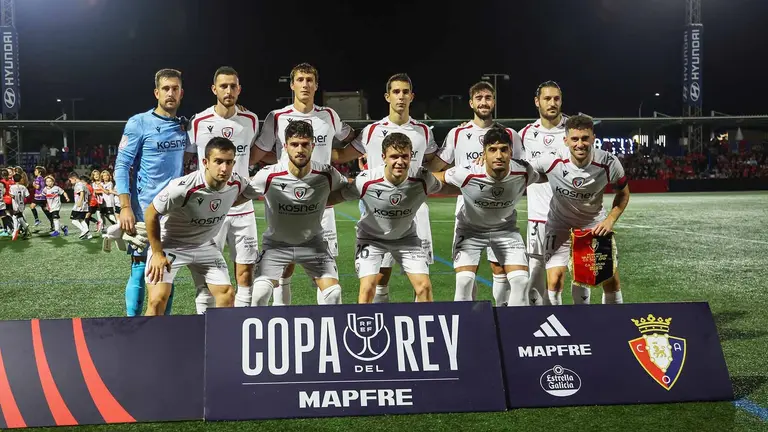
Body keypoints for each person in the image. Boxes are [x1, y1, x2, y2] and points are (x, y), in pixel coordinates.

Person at [251, 63, 364, 306]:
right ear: (292, 85)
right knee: (284, 269)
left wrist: (367, 150)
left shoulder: (329, 116)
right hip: (286, 201)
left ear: (316, 84)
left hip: (324, 203)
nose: (305, 84)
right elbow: (259, 152)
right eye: (300, 80)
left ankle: (323, 323)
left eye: (310, 80)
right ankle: (282, 318)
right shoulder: (277, 116)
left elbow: (352, 140)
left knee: (324, 269)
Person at [429, 81, 525, 306]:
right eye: (479, 98)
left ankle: (501, 316)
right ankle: (470, 323)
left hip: (501, 214)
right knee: (465, 277)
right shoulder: (458, 133)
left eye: (488, 97)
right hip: (468, 214)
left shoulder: (509, 134)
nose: (484, 102)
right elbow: (436, 168)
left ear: (494, 101)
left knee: (499, 269)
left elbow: (521, 167)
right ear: (471, 102)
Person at [239, 120, 348, 306]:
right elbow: (237, 199)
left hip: (314, 245)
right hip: (276, 246)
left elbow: (348, 190)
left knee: (333, 294)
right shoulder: (268, 175)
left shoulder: (327, 174)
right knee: (259, 295)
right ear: (285, 146)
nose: (300, 149)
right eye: (294, 144)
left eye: (305, 144)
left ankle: (324, 333)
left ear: (313, 146)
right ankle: (269, 332)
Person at [143, 137, 256, 315]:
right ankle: (147, 342)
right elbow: (151, 213)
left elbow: (245, 195)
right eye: (218, 162)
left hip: (205, 246)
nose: (224, 168)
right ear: (205, 162)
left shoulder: (237, 183)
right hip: (171, 245)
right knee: (157, 300)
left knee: (227, 295)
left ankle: (218, 341)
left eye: (228, 162)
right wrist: (157, 253)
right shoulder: (182, 188)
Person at [329, 132, 442, 303]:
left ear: (411, 156)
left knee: (424, 287)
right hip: (370, 238)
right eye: (394, 156)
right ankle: (365, 327)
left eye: (405, 156)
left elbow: (446, 188)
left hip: (406, 238)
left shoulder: (423, 178)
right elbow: (337, 197)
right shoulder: (366, 181)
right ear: (383, 157)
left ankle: (424, 327)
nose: (400, 161)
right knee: (367, 289)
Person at [528, 115, 630, 305]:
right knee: (554, 281)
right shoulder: (551, 160)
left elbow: (623, 194)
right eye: (574, 139)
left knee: (610, 281)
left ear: (593, 138)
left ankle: (614, 326)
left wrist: (609, 220)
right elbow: (520, 171)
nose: (580, 144)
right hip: (560, 225)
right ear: (566, 140)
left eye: (585, 138)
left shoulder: (608, 162)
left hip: (593, 226)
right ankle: (555, 328)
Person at [433, 126, 539, 306]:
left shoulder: (524, 171)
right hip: (470, 230)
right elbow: (437, 177)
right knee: (464, 281)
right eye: (492, 150)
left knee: (521, 281)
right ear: (484, 153)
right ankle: (466, 328)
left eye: (504, 149)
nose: (499, 155)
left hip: (505, 230)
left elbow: (544, 175)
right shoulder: (467, 172)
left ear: (511, 152)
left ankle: (511, 328)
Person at [357, 73, 438, 303]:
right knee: (380, 279)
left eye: (405, 92)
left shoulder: (423, 131)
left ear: (412, 97)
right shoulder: (372, 131)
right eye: (396, 92)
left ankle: (420, 328)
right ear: (387, 96)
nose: (400, 97)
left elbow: (434, 162)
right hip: (379, 214)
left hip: (415, 212)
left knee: (422, 281)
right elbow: (344, 154)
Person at [184, 66, 260, 313]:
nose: (228, 90)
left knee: (246, 272)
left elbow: (253, 154)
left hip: (242, 207)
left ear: (239, 89)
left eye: (233, 86)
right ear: (214, 89)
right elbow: (188, 157)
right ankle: (203, 323)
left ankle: (239, 325)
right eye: (223, 86)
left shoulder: (251, 120)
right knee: (207, 274)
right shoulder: (199, 121)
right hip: (208, 209)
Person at [114, 68, 188, 316]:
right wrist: (125, 207)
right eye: (165, 88)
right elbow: (122, 165)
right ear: (157, 92)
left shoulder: (182, 125)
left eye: (175, 89)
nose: (170, 93)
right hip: (144, 211)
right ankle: (132, 326)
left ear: (181, 93)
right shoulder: (139, 123)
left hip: (174, 213)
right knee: (138, 266)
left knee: (167, 271)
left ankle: (162, 329)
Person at [518, 81, 569, 305]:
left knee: (577, 276)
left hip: (571, 217)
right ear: (537, 102)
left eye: (556, 98)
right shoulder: (524, 135)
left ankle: (582, 323)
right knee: (536, 274)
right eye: (547, 99)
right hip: (538, 217)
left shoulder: (572, 131)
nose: (552, 103)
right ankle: (539, 325)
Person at [8, 174, 31, 241]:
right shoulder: (23, 187)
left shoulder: (12, 187)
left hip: (15, 204)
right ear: (20, 179)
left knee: (17, 217)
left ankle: (19, 229)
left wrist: (10, 195)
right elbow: (28, 196)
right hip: (22, 204)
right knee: (16, 217)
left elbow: (12, 196)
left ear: (13, 180)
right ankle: (21, 230)